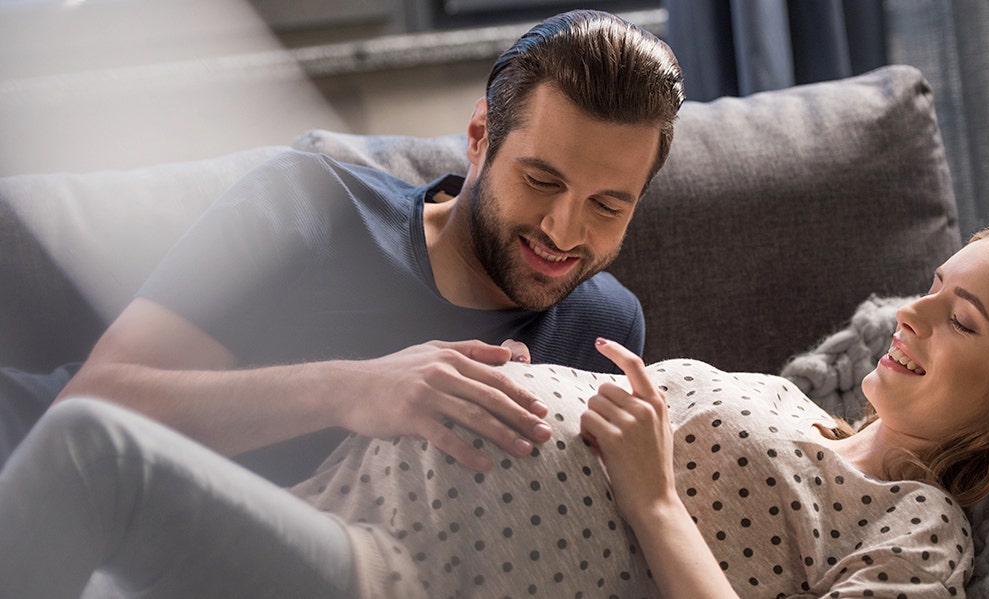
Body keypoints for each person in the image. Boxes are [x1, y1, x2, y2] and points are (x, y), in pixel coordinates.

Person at [0, 223, 989, 598]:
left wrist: (656, 499)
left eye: (964, 322)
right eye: (934, 289)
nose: (914, 317)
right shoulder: (799, 409)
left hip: (388, 574)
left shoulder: (920, 532)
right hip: (325, 498)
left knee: (99, 451)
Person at [2, 9, 685, 483]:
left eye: (607, 205)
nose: (565, 231)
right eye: (541, 180)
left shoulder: (605, 328)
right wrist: (351, 388)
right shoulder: (309, 207)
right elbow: (89, 411)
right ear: (479, 137)